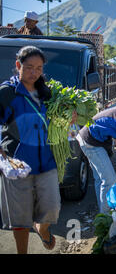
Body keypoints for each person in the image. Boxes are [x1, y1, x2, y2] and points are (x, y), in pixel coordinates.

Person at [0, 46, 75, 253]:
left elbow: (54, 123)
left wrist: (69, 119)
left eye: (39, 68)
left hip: (46, 162)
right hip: (18, 164)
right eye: (29, 67)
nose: (34, 73)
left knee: (52, 208)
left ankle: (42, 229)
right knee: (20, 217)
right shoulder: (7, 92)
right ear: (18, 66)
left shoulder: (46, 92)